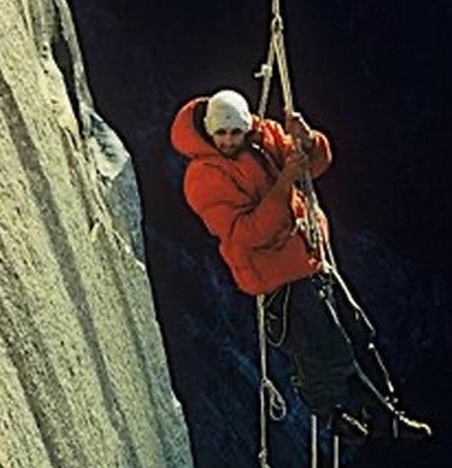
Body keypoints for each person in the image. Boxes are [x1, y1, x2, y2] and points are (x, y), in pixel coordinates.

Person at [170, 89, 432, 445]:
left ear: (246, 126)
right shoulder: (203, 177)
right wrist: (284, 183)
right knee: (327, 349)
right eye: (222, 134)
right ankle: (351, 416)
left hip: (307, 255)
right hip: (277, 273)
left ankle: (382, 411)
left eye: (235, 132)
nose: (229, 141)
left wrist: (307, 141)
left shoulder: (264, 137)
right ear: (209, 131)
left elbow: (313, 165)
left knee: (357, 333)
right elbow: (247, 233)